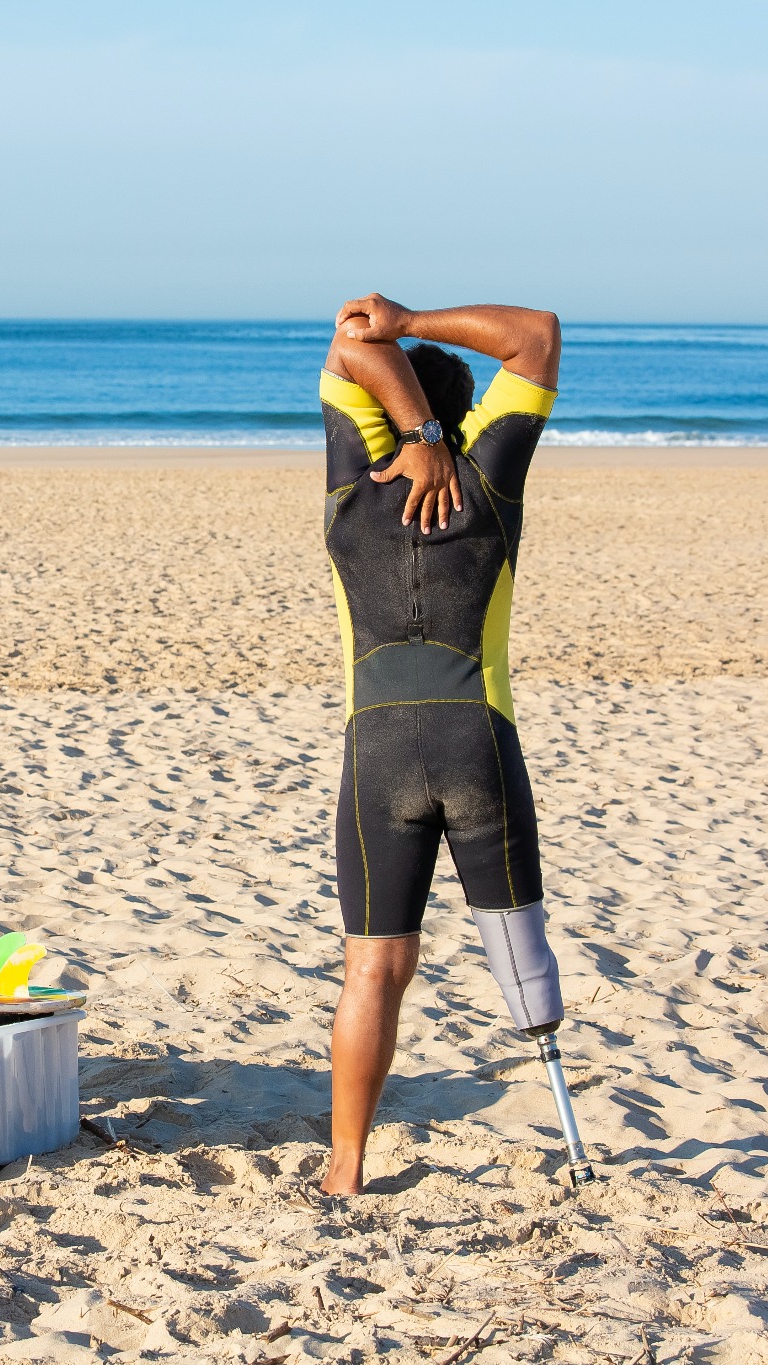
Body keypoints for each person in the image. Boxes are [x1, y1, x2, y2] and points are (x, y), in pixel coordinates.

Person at [316, 292, 572, 1195]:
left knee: (374, 965)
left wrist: (410, 425)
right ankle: (572, 1138)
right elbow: (536, 335)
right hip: (478, 746)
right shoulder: (488, 482)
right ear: (471, 413)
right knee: (520, 948)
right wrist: (416, 321)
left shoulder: (351, 487)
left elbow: (350, 342)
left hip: (376, 756)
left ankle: (346, 1166)